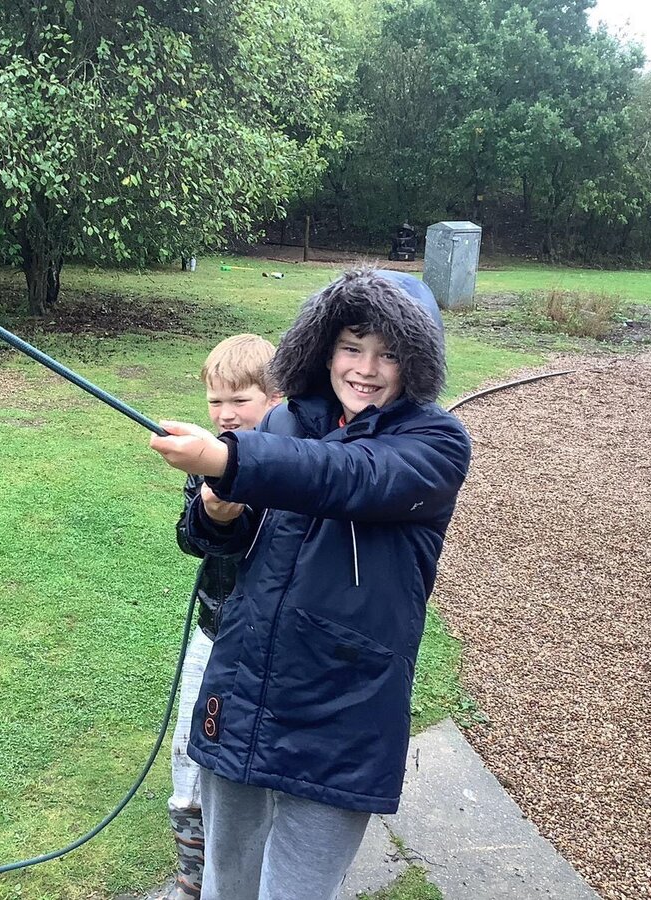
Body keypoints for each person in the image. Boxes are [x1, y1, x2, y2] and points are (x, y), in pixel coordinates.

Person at [148, 268, 473, 900]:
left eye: (388, 354)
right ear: (326, 349)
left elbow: (346, 475)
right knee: (224, 883)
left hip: (342, 710)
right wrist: (217, 513)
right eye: (352, 347)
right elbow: (220, 540)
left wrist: (228, 458)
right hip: (245, 686)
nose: (365, 369)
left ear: (416, 362)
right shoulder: (283, 424)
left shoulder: (436, 444)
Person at [165, 334, 283, 900]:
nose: (225, 414)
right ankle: (193, 874)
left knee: (252, 764)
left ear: (277, 399)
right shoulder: (207, 458)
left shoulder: (295, 460)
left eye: (241, 400)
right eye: (216, 401)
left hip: (267, 646)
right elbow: (191, 538)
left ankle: (253, 870)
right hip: (213, 629)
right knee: (188, 755)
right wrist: (212, 512)